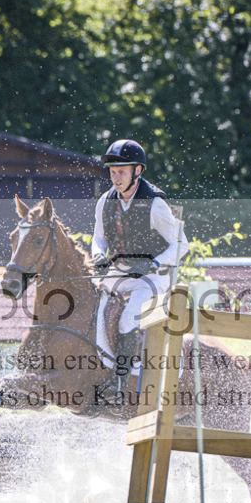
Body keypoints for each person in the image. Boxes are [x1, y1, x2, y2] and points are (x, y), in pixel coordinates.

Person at [91, 139, 188, 388]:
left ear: (138, 171)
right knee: (90, 304)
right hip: (120, 273)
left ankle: (120, 384)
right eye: (113, 172)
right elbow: (99, 239)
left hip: (152, 279)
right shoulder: (105, 202)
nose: (116, 177)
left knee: (126, 321)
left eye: (121, 171)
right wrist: (98, 256)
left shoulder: (155, 204)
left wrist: (152, 264)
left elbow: (181, 245)